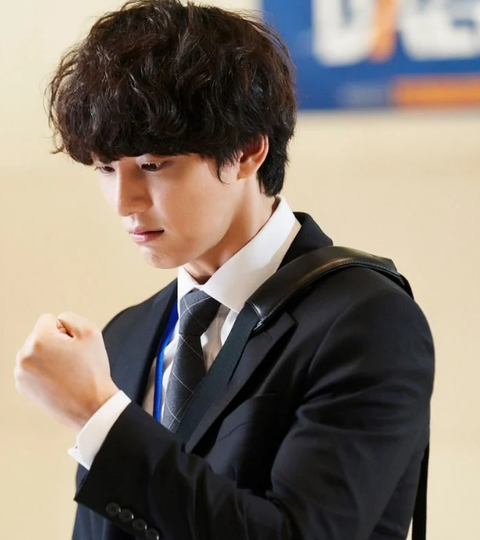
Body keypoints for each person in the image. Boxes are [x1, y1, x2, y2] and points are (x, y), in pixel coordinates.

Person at [14, 1, 435, 539]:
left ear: (248, 151)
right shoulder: (126, 336)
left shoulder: (366, 321)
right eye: (105, 168)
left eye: (152, 165)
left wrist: (98, 415)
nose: (123, 202)